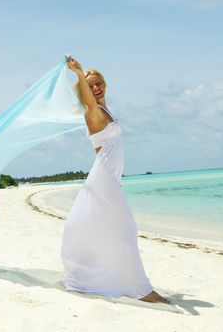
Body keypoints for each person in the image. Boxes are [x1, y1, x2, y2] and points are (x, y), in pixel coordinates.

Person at [60, 57, 169, 304]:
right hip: (105, 180)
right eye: (91, 86)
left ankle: (111, 279)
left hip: (110, 178)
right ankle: (143, 290)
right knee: (126, 230)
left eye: (99, 83)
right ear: (84, 92)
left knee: (113, 230)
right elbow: (89, 102)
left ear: (105, 85)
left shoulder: (106, 110)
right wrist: (78, 73)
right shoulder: (93, 111)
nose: (96, 88)